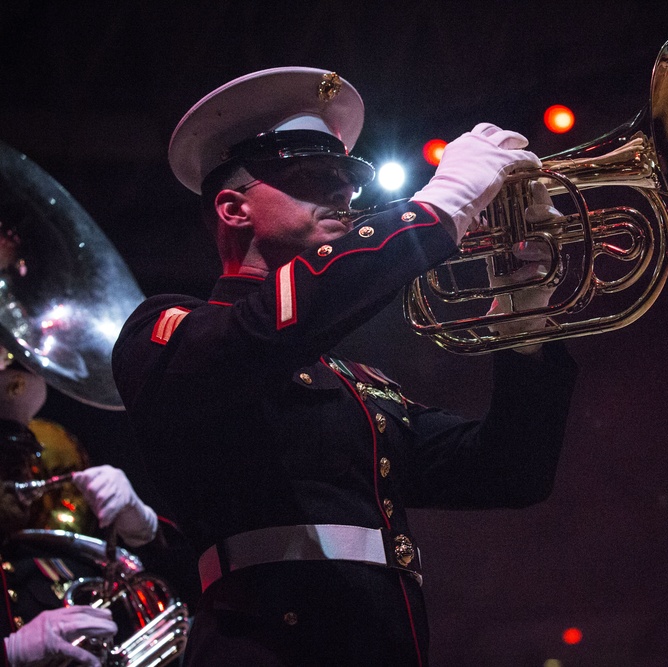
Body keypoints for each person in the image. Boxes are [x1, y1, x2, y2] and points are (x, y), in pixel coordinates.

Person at [111, 67, 578, 666]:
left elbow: (511, 471)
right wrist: (435, 212)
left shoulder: (350, 382)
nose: (343, 196)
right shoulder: (166, 331)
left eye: (347, 183)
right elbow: (270, 329)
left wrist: (522, 323)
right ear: (233, 208)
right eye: (311, 178)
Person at [0, 364, 160, 667]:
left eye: (17, 464)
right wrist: (10, 653)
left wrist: (142, 530)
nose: (18, 479)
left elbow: (183, 601)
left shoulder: (47, 558)